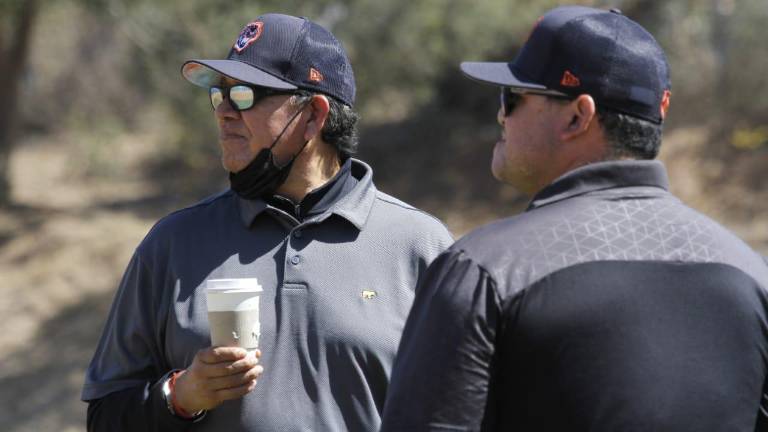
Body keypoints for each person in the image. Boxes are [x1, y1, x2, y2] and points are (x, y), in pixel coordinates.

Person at [381, 5, 768, 431]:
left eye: (512, 97)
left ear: (577, 116)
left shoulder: (484, 270)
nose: (500, 116)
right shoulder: (749, 270)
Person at [82, 13, 453, 432]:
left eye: (243, 95)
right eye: (219, 96)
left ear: (313, 115)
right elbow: (105, 415)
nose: (223, 112)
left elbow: (460, 412)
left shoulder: (421, 246)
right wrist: (180, 398)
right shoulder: (171, 244)